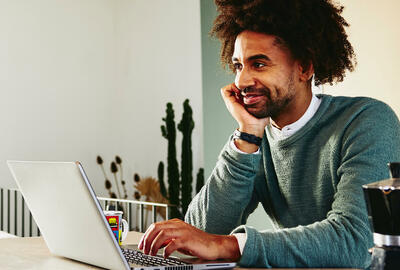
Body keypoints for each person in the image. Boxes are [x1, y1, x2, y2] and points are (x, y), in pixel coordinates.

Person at [139, 0, 400, 268]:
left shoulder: (367, 121)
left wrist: (227, 245)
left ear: (305, 68)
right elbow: (199, 233)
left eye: (259, 64)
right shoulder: (255, 139)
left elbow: (355, 243)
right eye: (238, 65)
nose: (241, 81)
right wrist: (247, 137)